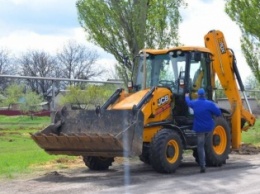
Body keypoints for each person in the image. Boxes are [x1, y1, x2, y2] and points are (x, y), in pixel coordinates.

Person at [185, 88, 221, 173]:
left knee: (200, 147)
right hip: (209, 129)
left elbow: (188, 103)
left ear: (198, 95)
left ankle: (202, 166)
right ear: (204, 95)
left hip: (200, 129)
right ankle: (207, 158)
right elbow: (218, 113)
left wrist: (186, 96)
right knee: (206, 143)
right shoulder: (210, 104)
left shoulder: (195, 103)